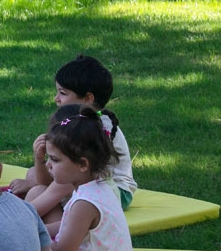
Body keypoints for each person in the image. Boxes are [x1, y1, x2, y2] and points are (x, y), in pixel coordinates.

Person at [10, 55, 136, 210]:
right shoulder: (76, 121)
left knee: (58, 185)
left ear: (87, 98)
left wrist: (39, 185)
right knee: (34, 177)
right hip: (86, 178)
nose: (56, 98)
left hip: (116, 191)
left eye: (63, 93)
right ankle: (37, 218)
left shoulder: (92, 127)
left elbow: (73, 173)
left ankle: (22, 217)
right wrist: (39, 158)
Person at [42, 107, 141, 251]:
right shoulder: (101, 186)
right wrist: (40, 230)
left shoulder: (85, 203)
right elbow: (68, 227)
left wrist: (27, 243)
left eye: (54, 159)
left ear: (83, 164)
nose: (48, 165)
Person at [10, 103, 82, 222]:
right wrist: (39, 159)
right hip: (69, 221)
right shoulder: (79, 170)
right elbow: (44, 183)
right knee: (33, 175)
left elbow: (29, 214)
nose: (48, 164)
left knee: (36, 191)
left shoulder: (70, 181)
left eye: (54, 159)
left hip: (69, 231)